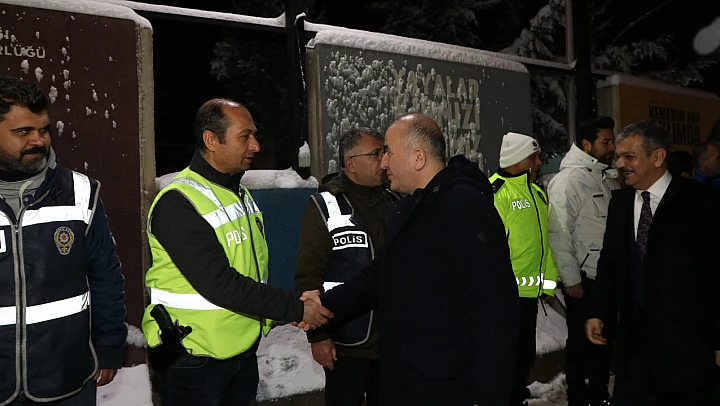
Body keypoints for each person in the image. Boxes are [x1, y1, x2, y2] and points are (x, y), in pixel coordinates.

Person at [308, 113, 520, 406]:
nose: (384, 163)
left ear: (418, 158)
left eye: (388, 153)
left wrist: (488, 394)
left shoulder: (464, 207)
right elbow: (380, 274)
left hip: (445, 387)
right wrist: (319, 308)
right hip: (410, 379)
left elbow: (494, 306)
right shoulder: (417, 206)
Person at [142, 98, 333, 406]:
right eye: (245, 136)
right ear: (211, 140)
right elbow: (220, 284)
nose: (255, 145)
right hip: (196, 359)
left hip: (241, 353)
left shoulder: (237, 192)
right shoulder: (178, 202)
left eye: (254, 135)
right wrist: (296, 307)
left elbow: (251, 270)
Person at [0, 75, 127, 405]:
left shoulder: (80, 192)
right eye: (24, 131)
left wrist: (109, 345)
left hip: (67, 379)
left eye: (43, 130)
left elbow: (106, 277)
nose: (38, 140)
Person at [586, 121, 720, 405]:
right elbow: (610, 263)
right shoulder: (620, 203)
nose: (619, 164)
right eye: (618, 157)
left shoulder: (701, 202)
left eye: (629, 157)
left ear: (658, 157)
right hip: (633, 347)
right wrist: (598, 311)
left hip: (688, 349)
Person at [295, 127, 399, 406]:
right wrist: (319, 336)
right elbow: (309, 275)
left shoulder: (396, 201)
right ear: (350, 163)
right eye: (376, 153)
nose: (384, 160)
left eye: (385, 152)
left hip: (393, 341)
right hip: (346, 342)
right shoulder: (324, 205)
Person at [547, 117, 619, 406]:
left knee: (603, 340)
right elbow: (559, 233)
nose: (612, 147)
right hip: (584, 279)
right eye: (606, 142)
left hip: (605, 277)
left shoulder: (605, 176)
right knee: (581, 342)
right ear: (587, 145)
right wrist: (571, 279)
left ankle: (599, 394)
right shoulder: (568, 181)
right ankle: (579, 396)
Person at [488, 132, 558, 406]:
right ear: (517, 160)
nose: (539, 163)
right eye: (533, 158)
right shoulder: (495, 193)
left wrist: (548, 282)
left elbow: (544, 243)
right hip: (505, 297)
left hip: (530, 295)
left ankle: (517, 397)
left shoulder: (537, 192)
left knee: (523, 356)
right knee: (503, 358)